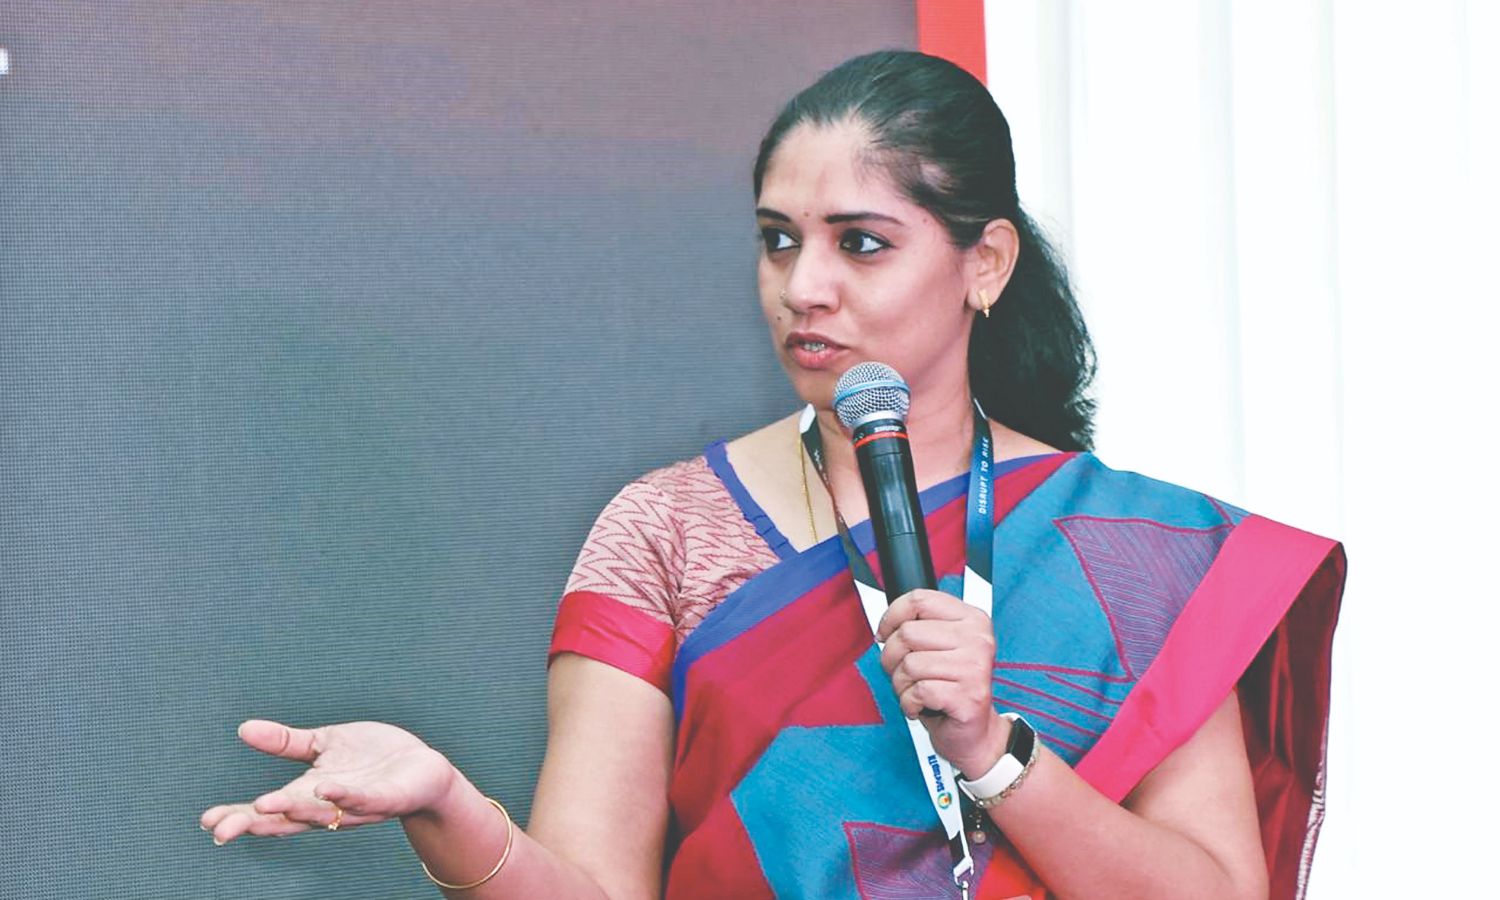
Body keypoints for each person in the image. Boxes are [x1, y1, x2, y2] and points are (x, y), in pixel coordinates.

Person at [201, 50, 1343, 899]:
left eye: (860, 243)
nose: (804, 286)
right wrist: (446, 803)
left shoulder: (1137, 549)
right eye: (779, 239)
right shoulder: (663, 530)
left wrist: (994, 756)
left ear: (984, 263)